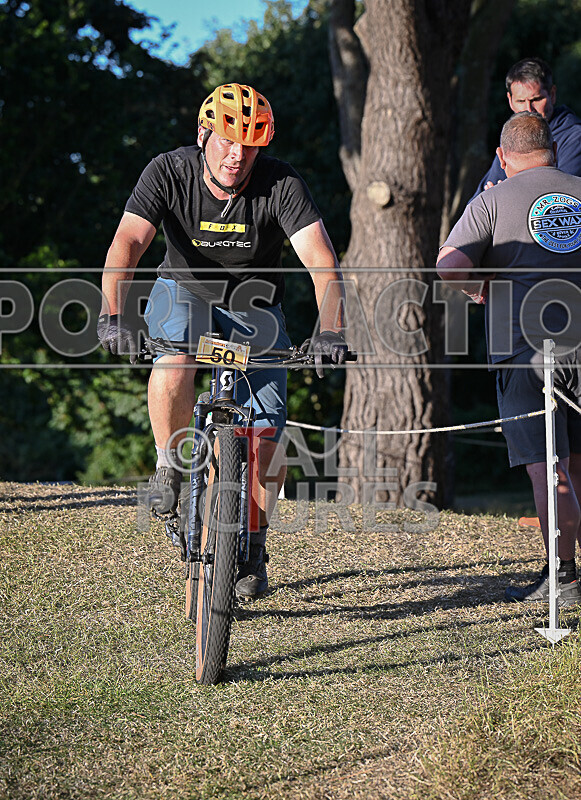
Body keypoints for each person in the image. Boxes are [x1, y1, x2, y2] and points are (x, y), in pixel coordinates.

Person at [98, 83, 347, 600]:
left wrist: (330, 331)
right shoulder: (169, 171)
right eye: (229, 141)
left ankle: (252, 544)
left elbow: (323, 263)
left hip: (256, 309)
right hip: (183, 292)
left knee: (267, 434)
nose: (239, 156)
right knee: (175, 359)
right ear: (203, 135)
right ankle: (170, 464)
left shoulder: (281, 184)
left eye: (252, 144)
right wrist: (111, 314)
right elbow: (128, 242)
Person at [437, 111, 581, 606]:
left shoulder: (492, 200)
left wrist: (480, 288)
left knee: (548, 466)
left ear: (502, 157)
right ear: (554, 151)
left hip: (524, 349)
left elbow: (449, 266)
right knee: (578, 463)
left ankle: (561, 577)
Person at [470, 57, 581, 199]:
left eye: (536, 99)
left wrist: (503, 196)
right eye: (521, 101)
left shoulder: (574, 138)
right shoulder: (513, 138)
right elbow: (477, 202)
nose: (528, 109)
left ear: (552, 94)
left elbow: (561, 199)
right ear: (510, 100)